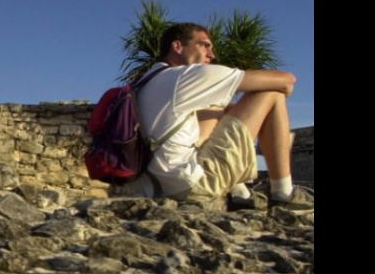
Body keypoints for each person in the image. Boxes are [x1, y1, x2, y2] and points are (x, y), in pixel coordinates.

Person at [128, 22, 312, 209]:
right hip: (189, 186)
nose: (212, 54)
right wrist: (268, 110)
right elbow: (287, 81)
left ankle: (240, 192)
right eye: (205, 45)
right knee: (272, 93)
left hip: (150, 185)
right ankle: (284, 192)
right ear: (177, 46)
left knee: (216, 105)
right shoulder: (186, 76)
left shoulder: (146, 81)